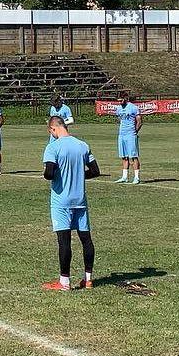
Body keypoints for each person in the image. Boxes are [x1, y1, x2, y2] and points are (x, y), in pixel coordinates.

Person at [41, 115, 100, 291]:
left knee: (64, 240)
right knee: (86, 239)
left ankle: (64, 282)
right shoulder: (82, 145)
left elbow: (50, 173)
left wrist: (48, 174)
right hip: (80, 200)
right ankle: (88, 279)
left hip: (61, 201)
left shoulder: (53, 147)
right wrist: (80, 175)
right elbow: (95, 171)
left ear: (53, 129)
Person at [113, 93, 142, 184]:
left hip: (131, 134)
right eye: (118, 101)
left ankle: (136, 177)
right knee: (124, 156)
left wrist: (134, 132)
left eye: (121, 100)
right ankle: (124, 177)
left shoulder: (133, 107)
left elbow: (139, 121)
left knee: (133, 156)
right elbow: (120, 119)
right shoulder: (118, 109)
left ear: (125, 99)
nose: (120, 103)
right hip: (122, 134)